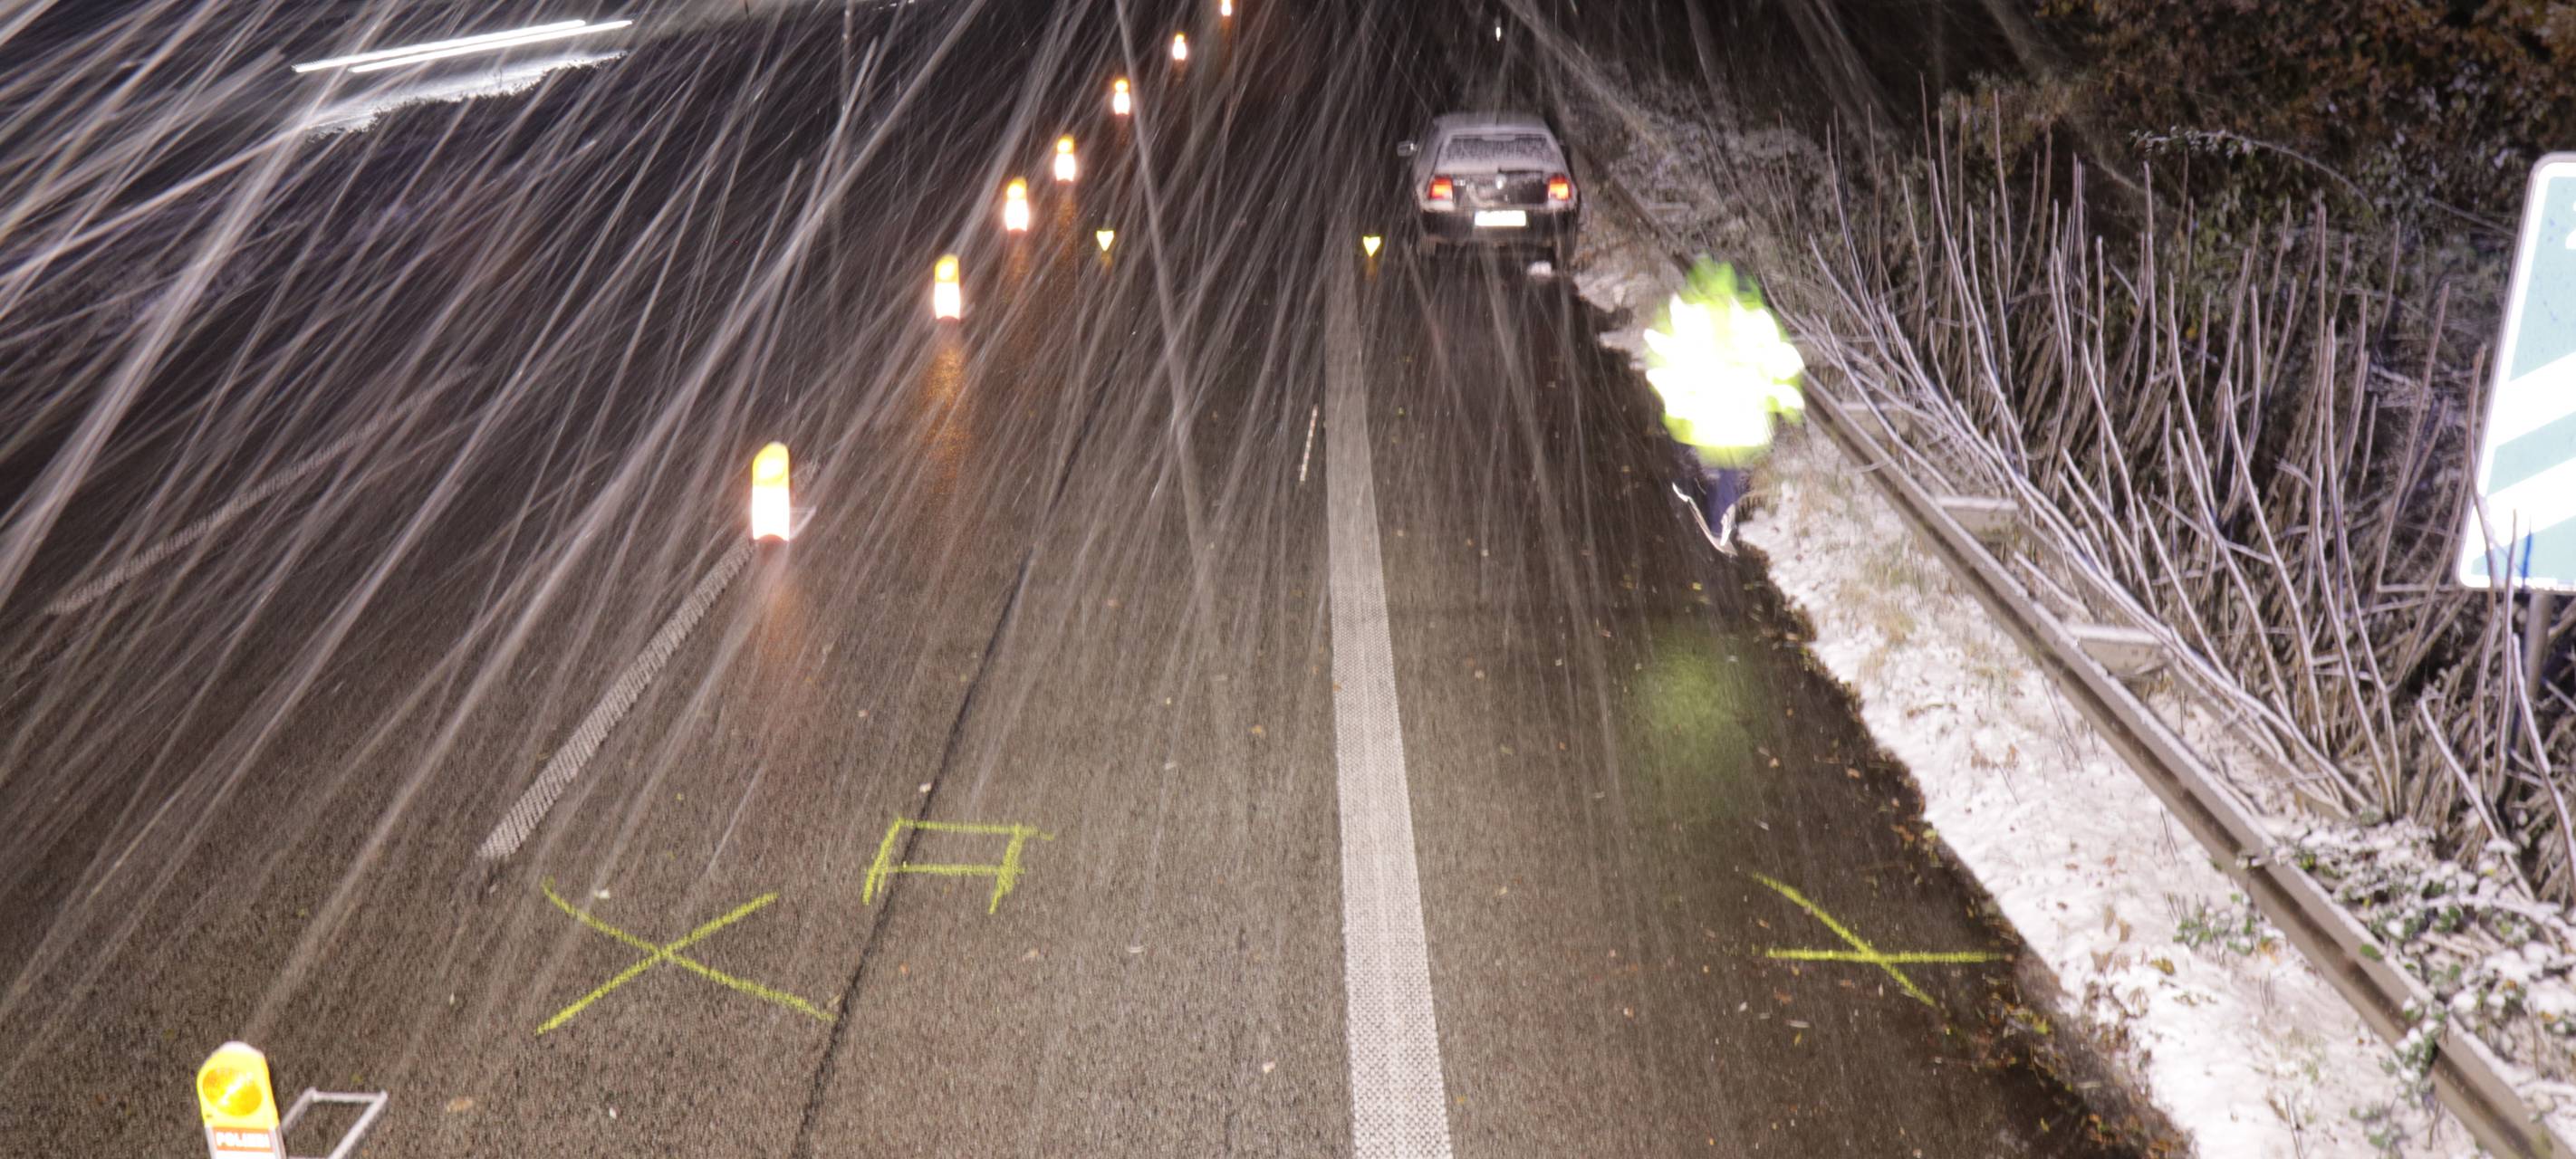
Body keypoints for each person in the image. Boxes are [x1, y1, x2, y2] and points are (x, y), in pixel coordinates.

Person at [1641, 258, 1806, 553]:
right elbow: (1783, 362)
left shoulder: (1690, 310)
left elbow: (1663, 350)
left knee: (1688, 436)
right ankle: (1722, 516)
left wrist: (1670, 392)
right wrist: (1790, 405)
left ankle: (1689, 479)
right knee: (1733, 462)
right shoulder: (1759, 318)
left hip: (1705, 416)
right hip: (1747, 417)